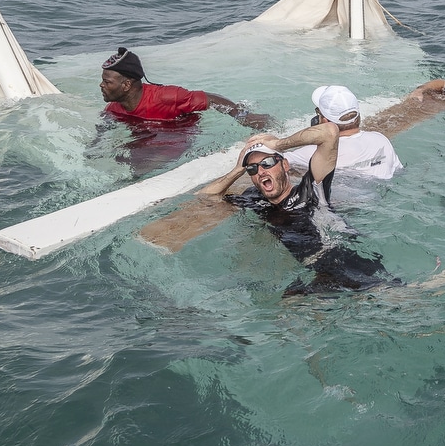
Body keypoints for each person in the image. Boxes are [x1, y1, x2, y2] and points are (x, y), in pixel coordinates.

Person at [197, 124, 401, 296]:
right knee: (287, 308)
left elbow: (329, 132)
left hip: (347, 262)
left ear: (285, 165)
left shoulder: (310, 191)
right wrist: (238, 169)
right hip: (319, 274)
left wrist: (278, 144)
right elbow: (206, 197)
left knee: (392, 297)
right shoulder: (254, 198)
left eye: (267, 163)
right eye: (253, 168)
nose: (261, 172)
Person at [99, 46, 270, 130]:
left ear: (127, 85)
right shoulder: (114, 108)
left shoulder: (166, 97)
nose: (101, 85)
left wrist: (241, 115)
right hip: (147, 132)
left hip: (180, 131)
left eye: (107, 82)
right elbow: (105, 126)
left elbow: (210, 99)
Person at [284, 84, 402, 181]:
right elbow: (398, 173)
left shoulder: (312, 153)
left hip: (338, 207)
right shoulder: (381, 140)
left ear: (325, 120)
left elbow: (273, 161)